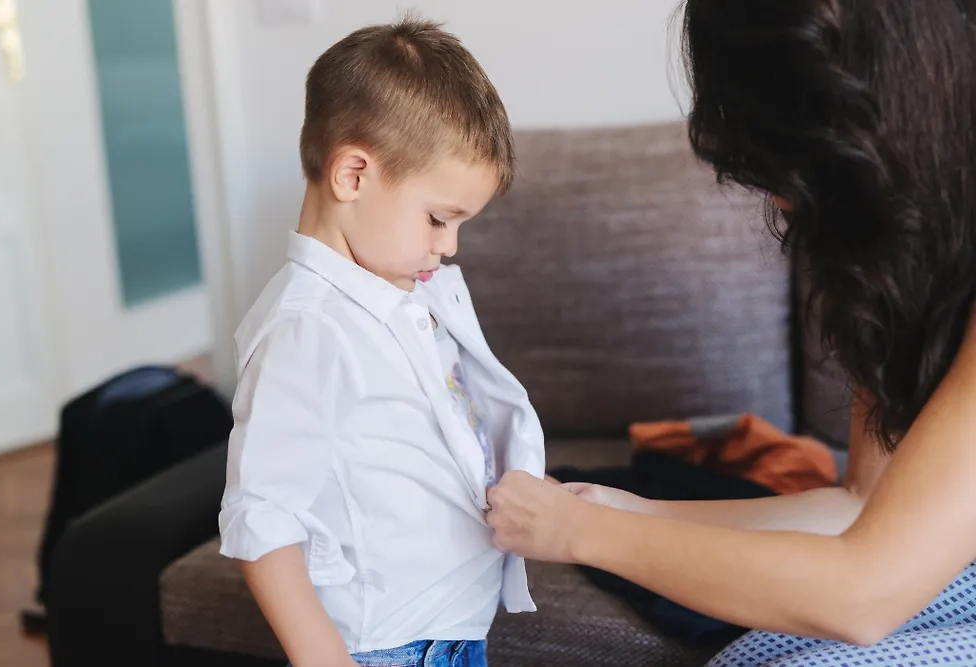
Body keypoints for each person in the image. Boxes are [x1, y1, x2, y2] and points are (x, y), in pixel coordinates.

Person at [486, 1, 976, 665]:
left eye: (782, 160)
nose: (774, 197)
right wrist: (623, 510)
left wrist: (581, 532)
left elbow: (865, 593)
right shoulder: (905, 264)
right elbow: (860, 505)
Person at [218, 18, 545, 667]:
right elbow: (261, 515)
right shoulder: (307, 327)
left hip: (452, 634)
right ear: (353, 175)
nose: (450, 245)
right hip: (393, 648)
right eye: (438, 218)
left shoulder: (402, 296)